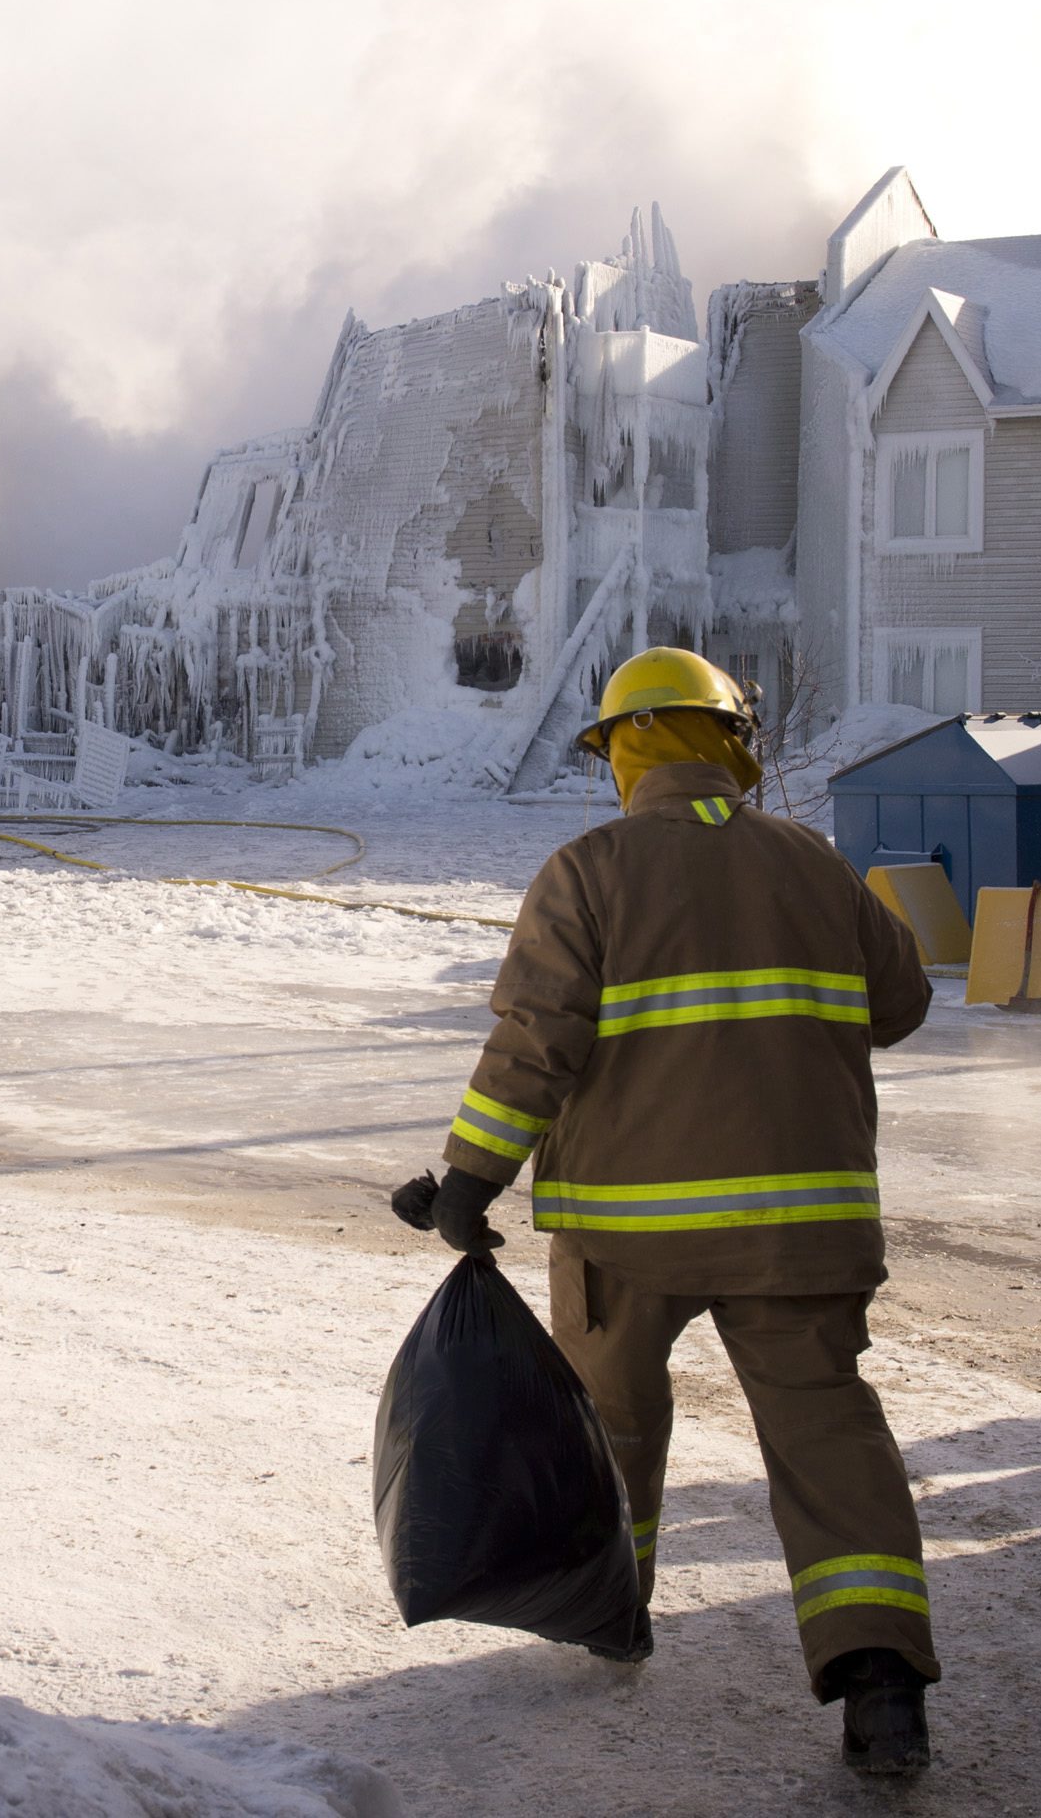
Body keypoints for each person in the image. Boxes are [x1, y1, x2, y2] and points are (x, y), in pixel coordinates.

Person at [390, 647, 939, 1777]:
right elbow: (902, 1004)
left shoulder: (587, 869)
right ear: (733, 742)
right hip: (803, 1230)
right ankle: (879, 1677)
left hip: (626, 1235)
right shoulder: (817, 864)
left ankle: (611, 1608)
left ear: (620, 753)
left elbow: (534, 1049)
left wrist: (466, 1184)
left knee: (612, 1425)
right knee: (828, 1436)